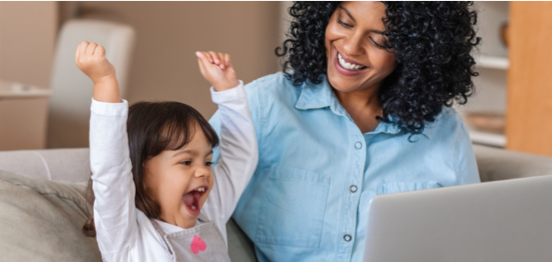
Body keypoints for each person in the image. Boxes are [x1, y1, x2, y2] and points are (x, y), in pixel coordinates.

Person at [208, 0, 482, 261]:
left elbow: (471, 241)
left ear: (414, 52)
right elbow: (182, 200)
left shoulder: (445, 131)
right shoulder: (263, 105)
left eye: (378, 40)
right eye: (345, 22)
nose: (351, 47)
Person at [76, 40, 257, 261]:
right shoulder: (128, 235)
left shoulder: (210, 212)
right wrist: (104, 81)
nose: (203, 171)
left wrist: (227, 90)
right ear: (138, 171)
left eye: (207, 162)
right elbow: (110, 170)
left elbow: (240, 157)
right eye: (186, 162)